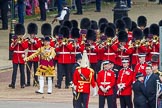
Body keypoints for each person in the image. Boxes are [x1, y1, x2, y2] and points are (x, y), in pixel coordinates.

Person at [9, 23, 28, 89]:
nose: (19, 35)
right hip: (15, 58)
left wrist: (21, 42)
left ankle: (22, 83)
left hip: (21, 57)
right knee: (14, 71)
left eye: (20, 34)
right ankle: (13, 83)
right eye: (18, 34)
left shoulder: (25, 40)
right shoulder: (14, 40)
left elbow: (25, 47)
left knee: (22, 71)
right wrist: (15, 43)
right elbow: (11, 48)